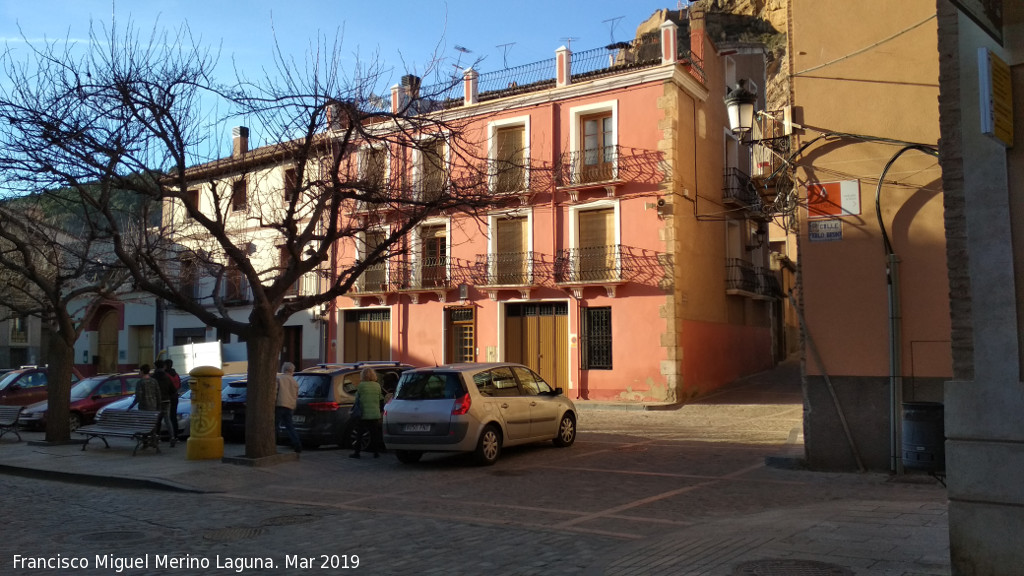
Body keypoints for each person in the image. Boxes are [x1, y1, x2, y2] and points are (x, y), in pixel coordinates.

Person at [350, 367, 384, 459]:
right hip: (374, 414)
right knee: (374, 434)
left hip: (363, 414)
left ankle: (357, 453)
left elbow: (357, 399)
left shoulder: (361, 386)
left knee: (359, 434)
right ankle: (376, 453)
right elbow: (381, 399)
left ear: (363, 375)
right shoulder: (377, 386)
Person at [276, 362, 302, 453]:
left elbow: (275, 392)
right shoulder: (295, 382)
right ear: (292, 370)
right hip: (290, 406)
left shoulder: (279, 379)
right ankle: (297, 444)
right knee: (290, 426)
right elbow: (295, 395)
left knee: (274, 426)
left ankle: (273, 443)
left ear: (283, 369)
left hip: (279, 405)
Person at [152, 359, 179, 446]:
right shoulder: (167, 377)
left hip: (157, 401)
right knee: (168, 419)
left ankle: (156, 437)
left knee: (157, 420)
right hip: (167, 400)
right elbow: (173, 390)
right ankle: (172, 437)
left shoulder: (153, 377)